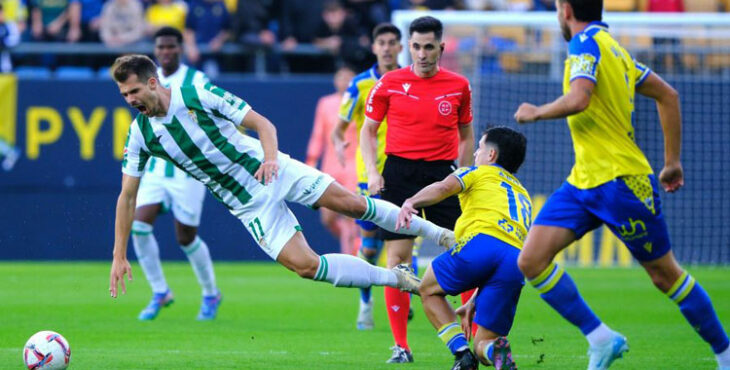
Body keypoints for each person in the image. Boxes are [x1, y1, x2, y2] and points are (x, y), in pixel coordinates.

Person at [108, 55, 457, 317]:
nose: (130, 100)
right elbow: (127, 197)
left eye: (134, 90)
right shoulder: (141, 134)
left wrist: (271, 159)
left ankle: (442, 235)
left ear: (153, 82)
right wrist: (119, 254)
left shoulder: (196, 94)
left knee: (352, 204)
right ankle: (396, 278)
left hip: (275, 170)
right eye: (124, 94)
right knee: (307, 267)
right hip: (247, 204)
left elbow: (263, 124)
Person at [513, 1, 730, 369]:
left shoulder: (584, 43)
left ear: (565, 9)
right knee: (531, 260)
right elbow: (668, 94)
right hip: (583, 181)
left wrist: (537, 111)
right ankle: (602, 339)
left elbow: (580, 98)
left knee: (665, 276)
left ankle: (726, 355)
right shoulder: (615, 49)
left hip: (621, 182)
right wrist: (672, 161)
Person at [360, 15, 475, 363]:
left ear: (440, 47)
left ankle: (472, 336)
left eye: (429, 47)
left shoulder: (459, 85)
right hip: (398, 173)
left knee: (465, 254)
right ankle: (401, 346)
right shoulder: (390, 82)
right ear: (408, 47)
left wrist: (463, 175)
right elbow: (367, 131)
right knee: (398, 261)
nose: (422, 54)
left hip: (442, 177)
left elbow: (467, 136)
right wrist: (373, 173)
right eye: (416, 47)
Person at [397, 127, 529, 370]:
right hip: (516, 260)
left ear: (491, 155)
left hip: (481, 243)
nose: (476, 152)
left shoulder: (476, 173)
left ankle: (461, 354)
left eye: (479, 147)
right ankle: (495, 351)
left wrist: (411, 201)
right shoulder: (522, 194)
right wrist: (472, 302)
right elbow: (501, 254)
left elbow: (443, 188)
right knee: (485, 343)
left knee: (428, 290)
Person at [129, 26, 220, 322]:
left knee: (186, 237)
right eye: (161, 47)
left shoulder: (197, 80)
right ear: (155, 51)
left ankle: (210, 293)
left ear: (180, 49)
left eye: (171, 47)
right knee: (139, 226)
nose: (166, 52)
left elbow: (212, 116)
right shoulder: (145, 82)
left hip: (190, 172)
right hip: (157, 168)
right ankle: (160, 291)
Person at [332, 22, 402, 332]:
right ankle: (365, 302)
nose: (387, 48)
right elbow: (339, 128)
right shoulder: (359, 85)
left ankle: (403, 303)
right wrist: (338, 143)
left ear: (401, 47)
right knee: (371, 248)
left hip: (405, 173)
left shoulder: (411, 81)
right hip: (370, 177)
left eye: (392, 42)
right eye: (381, 42)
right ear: (374, 47)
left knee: (404, 242)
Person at [305, 65, 358, 255]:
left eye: (348, 77)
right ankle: (355, 246)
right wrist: (311, 162)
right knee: (327, 218)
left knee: (350, 217)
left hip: (353, 166)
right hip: (330, 167)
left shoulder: (360, 102)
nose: (344, 82)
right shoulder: (325, 103)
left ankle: (350, 259)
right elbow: (318, 135)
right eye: (340, 77)